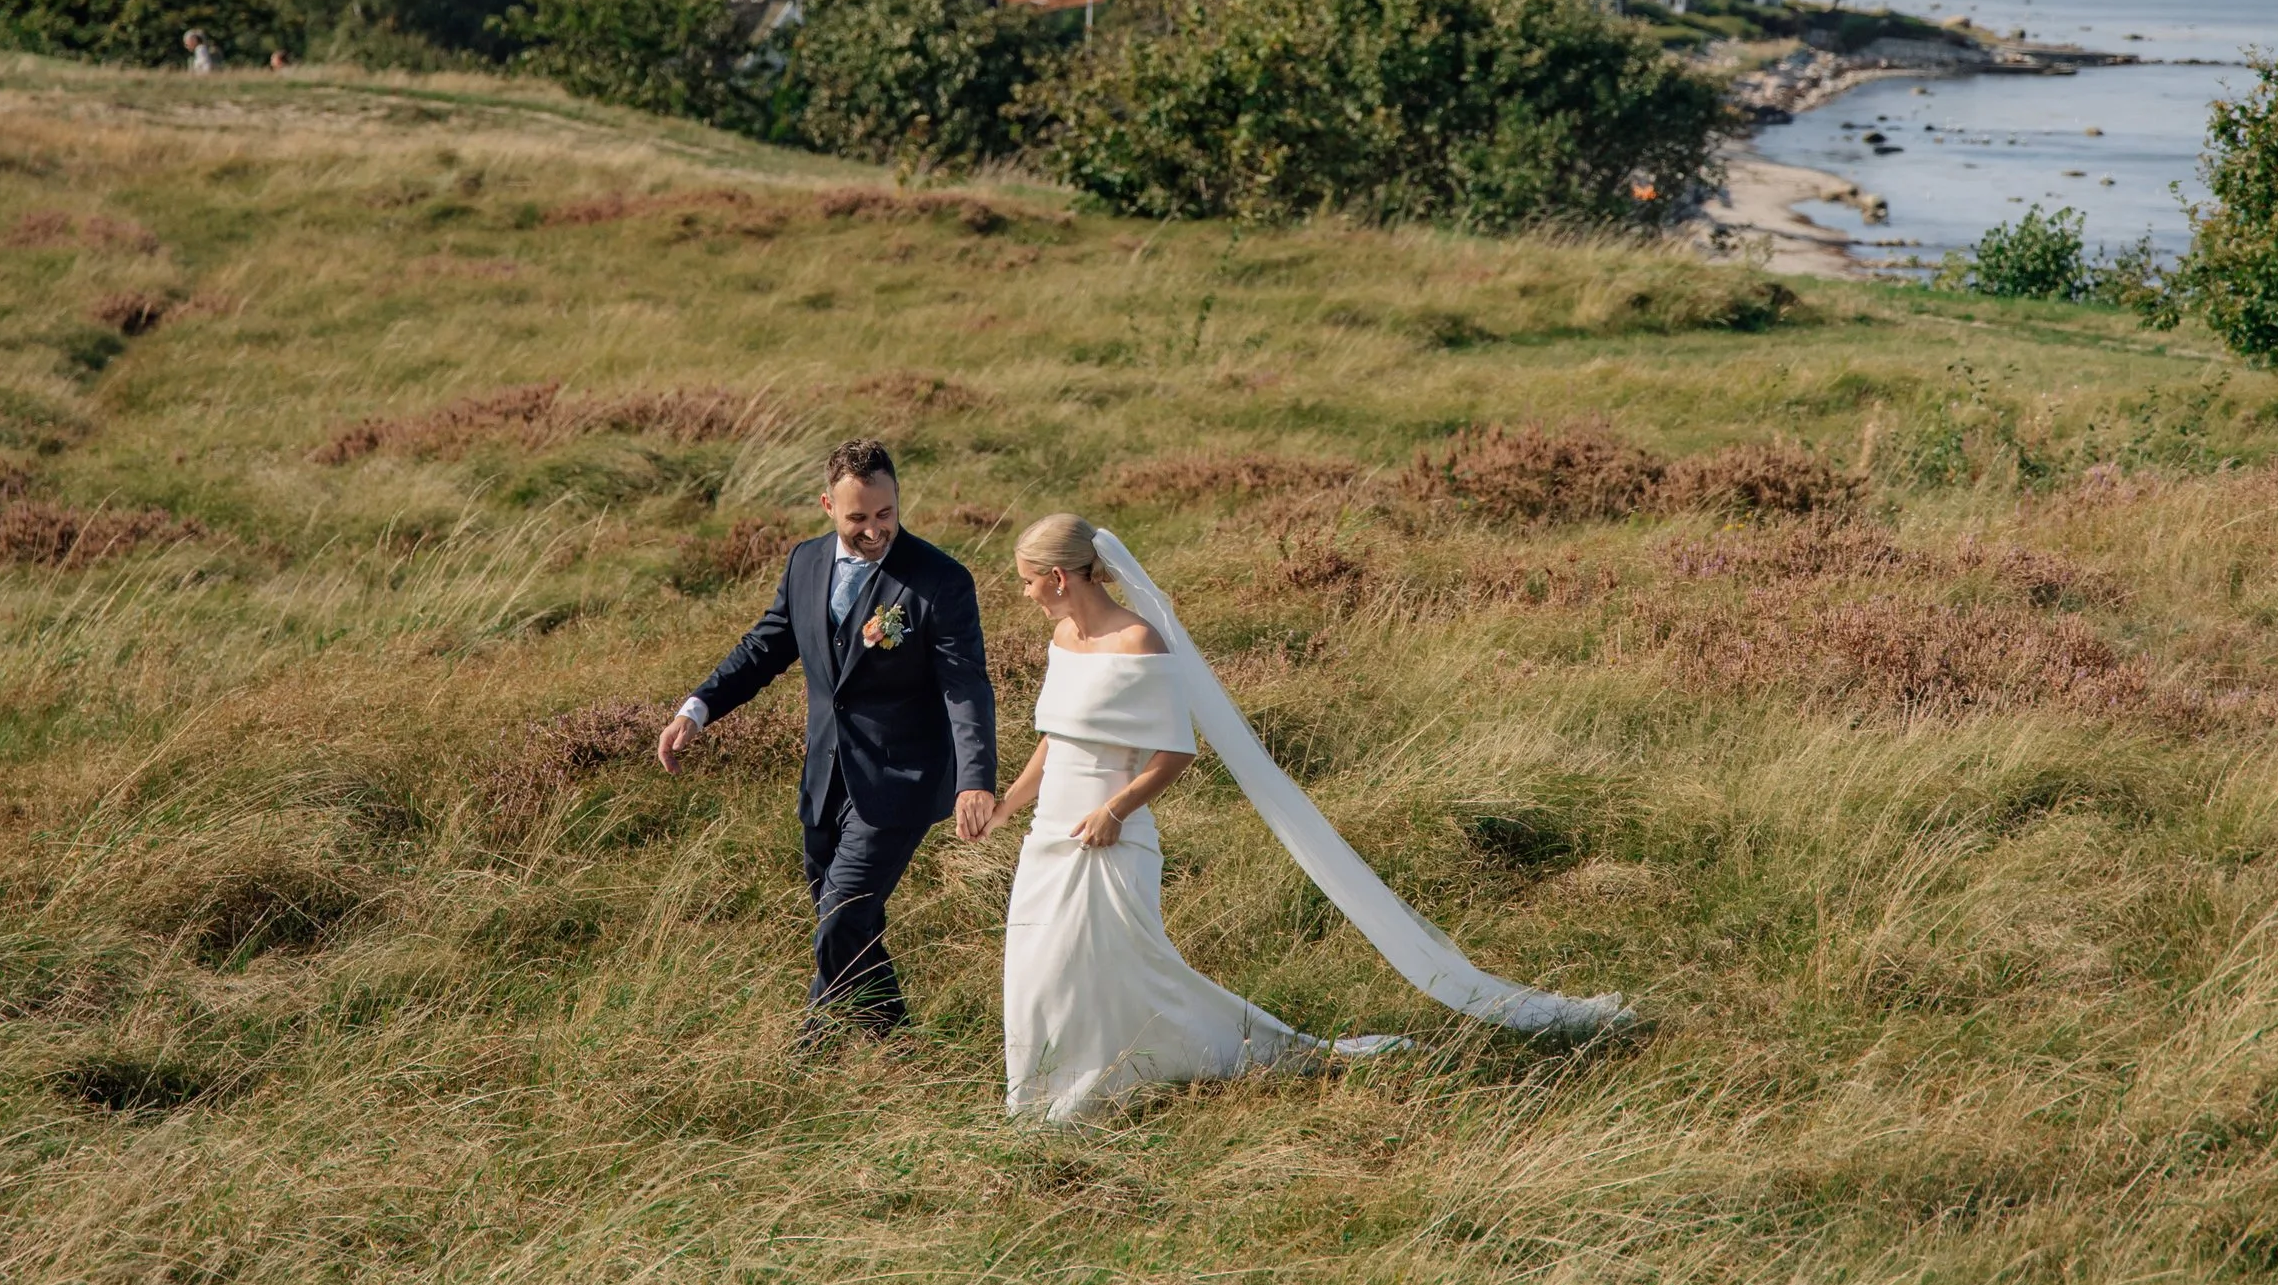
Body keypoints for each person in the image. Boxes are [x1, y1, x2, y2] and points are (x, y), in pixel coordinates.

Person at [994, 516, 1626, 1126]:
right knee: (1040, 965)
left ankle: (1170, 1066)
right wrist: (1007, 807)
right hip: (1051, 832)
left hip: (1110, 836)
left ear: (1058, 576)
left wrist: (1115, 809)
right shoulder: (1062, 640)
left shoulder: (1138, 642)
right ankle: (1050, 1090)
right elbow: (1055, 741)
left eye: (1027, 580)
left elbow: (1176, 751)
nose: (1024, 594)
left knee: (1125, 964)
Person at [658, 438, 995, 1044]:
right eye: (858, 518)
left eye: (886, 514)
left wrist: (975, 779)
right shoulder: (805, 563)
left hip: (901, 781)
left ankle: (811, 1045)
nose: (875, 531)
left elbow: (965, 688)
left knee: (841, 913)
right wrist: (698, 708)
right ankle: (893, 1040)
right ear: (826, 506)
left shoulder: (940, 580)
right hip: (825, 777)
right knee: (846, 917)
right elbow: (765, 647)